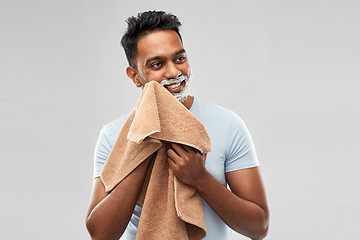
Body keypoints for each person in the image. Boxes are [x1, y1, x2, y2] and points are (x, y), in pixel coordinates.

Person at [86, 10, 269, 240]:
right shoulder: (113, 135)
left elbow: (259, 227)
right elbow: (100, 234)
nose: (174, 72)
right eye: (157, 64)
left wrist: (200, 179)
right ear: (134, 76)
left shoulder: (228, 124)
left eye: (179, 58)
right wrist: (141, 148)